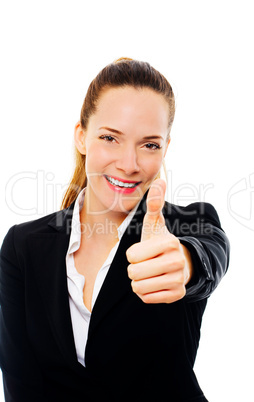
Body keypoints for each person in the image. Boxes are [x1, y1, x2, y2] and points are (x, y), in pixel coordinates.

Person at [0, 58, 230, 402]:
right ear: (82, 137)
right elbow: (21, 384)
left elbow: (209, 257)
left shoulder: (188, 224)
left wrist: (185, 264)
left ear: (166, 148)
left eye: (149, 144)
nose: (128, 164)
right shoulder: (23, 246)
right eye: (110, 137)